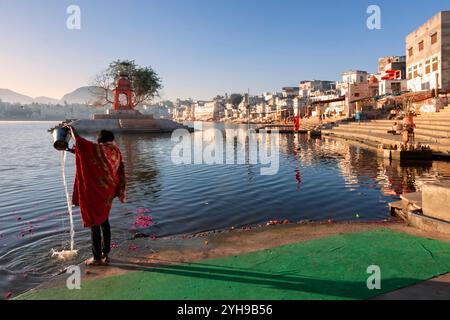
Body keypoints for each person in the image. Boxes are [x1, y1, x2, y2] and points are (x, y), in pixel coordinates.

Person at [67, 126, 126, 266]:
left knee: (95, 222)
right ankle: (105, 253)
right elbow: (94, 159)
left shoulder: (102, 149)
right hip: (108, 193)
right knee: (104, 221)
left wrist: (72, 130)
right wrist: (75, 151)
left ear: (101, 141)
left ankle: (97, 258)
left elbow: (85, 145)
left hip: (97, 193)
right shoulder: (115, 151)